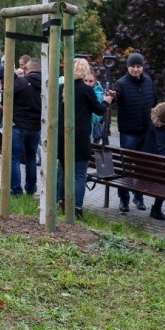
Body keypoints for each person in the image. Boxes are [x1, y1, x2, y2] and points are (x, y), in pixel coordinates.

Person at [57, 59, 114, 218]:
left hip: (62, 135)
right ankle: (76, 207)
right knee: (79, 174)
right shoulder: (85, 90)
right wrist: (107, 101)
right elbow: (99, 109)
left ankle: (61, 201)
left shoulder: (63, 87)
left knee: (64, 172)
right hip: (80, 136)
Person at [112, 53, 156, 212]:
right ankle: (124, 199)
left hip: (146, 132)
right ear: (128, 67)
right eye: (133, 66)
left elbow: (154, 103)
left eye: (138, 66)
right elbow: (115, 95)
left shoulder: (148, 82)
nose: (136, 69)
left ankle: (139, 196)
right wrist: (112, 96)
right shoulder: (121, 84)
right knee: (126, 167)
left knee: (142, 168)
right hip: (129, 132)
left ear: (142, 67)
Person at [10, 57, 42, 196]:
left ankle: (16, 190)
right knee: (31, 158)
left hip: (19, 125)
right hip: (36, 126)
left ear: (27, 69)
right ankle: (31, 187)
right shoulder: (47, 86)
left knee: (15, 158)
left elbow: (8, 99)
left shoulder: (21, 83)